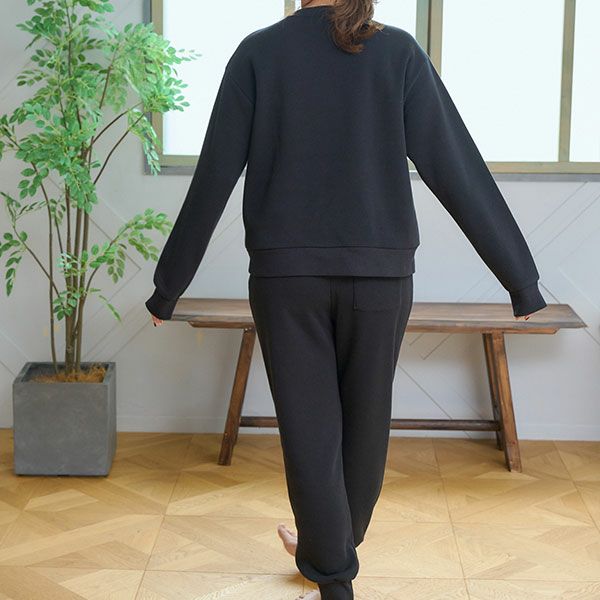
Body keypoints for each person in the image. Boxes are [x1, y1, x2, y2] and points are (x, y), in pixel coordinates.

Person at [145, 1, 547, 598]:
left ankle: (328, 560)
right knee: (366, 423)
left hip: (286, 280)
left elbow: (214, 174)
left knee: (308, 429)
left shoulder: (259, 52)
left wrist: (169, 287)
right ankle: (331, 555)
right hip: (379, 277)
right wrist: (520, 280)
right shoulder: (397, 52)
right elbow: (456, 166)